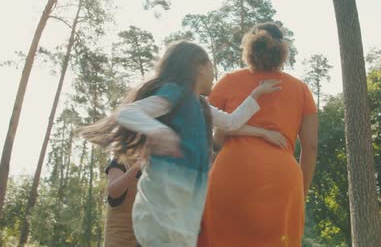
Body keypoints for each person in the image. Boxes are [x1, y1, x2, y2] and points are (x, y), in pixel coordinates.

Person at [79, 41, 285, 246]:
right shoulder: (175, 94)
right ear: (199, 67)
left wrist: (256, 94)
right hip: (160, 212)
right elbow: (127, 112)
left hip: (184, 216)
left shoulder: (202, 106)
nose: (214, 73)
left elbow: (231, 123)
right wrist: (158, 131)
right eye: (211, 67)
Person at [198, 22, 319, 247]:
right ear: (282, 50)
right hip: (282, 178)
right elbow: (311, 146)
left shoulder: (228, 81)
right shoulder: (300, 89)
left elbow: (206, 126)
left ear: (249, 47)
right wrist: (301, 192)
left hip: (231, 174)